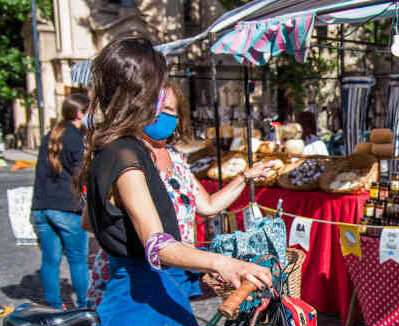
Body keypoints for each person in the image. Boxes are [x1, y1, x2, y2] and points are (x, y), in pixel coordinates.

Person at [76, 37, 272, 326]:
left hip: (157, 293)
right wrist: (224, 260)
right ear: (139, 92)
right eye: (159, 86)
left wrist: (202, 272)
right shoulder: (124, 157)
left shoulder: (133, 151)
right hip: (140, 303)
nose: (167, 99)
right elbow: (158, 244)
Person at [86, 80, 273, 307]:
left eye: (167, 111)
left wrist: (245, 177)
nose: (158, 116)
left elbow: (209, 206)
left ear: (178, 118)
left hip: (173, 272)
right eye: (154, 108)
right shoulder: (128, 157)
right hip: (135, 279)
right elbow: (91, 220)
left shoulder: (176, 158)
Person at [31, 93, 91, 310]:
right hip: (67, 207)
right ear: (79, 113)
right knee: (77, 260)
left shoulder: (50, 135)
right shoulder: (75, 139)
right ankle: (85, 305)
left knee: (50, 261)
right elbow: (81, 173)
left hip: (42, 206)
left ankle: (54, 306)